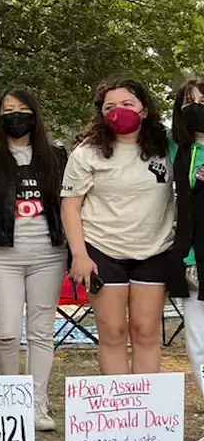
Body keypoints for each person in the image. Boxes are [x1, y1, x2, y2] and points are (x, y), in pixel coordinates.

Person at [0, 87, 68, 430]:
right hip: (0, 254)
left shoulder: (57, 156)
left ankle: (37, 404)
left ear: (35, 114)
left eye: (22, 108)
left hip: (48, 255)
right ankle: (9, 399)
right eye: (8, 109)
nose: (15, 115)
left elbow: (69, 205)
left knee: (41, 330)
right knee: (6, 331)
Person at [62, 79, 174, 375]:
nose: (118, 112)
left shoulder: (168, 146)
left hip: (155, 251)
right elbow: (70, 205)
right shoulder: (86, 152)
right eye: (109, 107)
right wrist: (79, 255)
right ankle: (119, 412)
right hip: (102, 250)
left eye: (127, 104)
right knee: (112, 332)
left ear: (145, 109)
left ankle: (145, 409)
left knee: (146, 330)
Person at [169, 77, 204, 441]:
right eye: (188, 102)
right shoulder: (175, 148)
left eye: (202, 100)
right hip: (190, 260)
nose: (196, 107)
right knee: (198, 347)